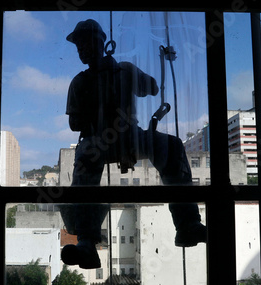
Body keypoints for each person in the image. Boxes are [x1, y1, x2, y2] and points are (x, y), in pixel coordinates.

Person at [60, 19, 206, 269]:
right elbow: (75, 124)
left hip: (129, 136)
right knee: (86, 157)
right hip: (103, 140)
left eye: (86, 44)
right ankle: (86, 241)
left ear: (101, 43)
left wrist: (134, 75)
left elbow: (150, 87)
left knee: (171, 147)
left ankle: (187, 224)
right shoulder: (82, 82)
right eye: (80, 46)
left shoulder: (123, 71)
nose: (82, 50)